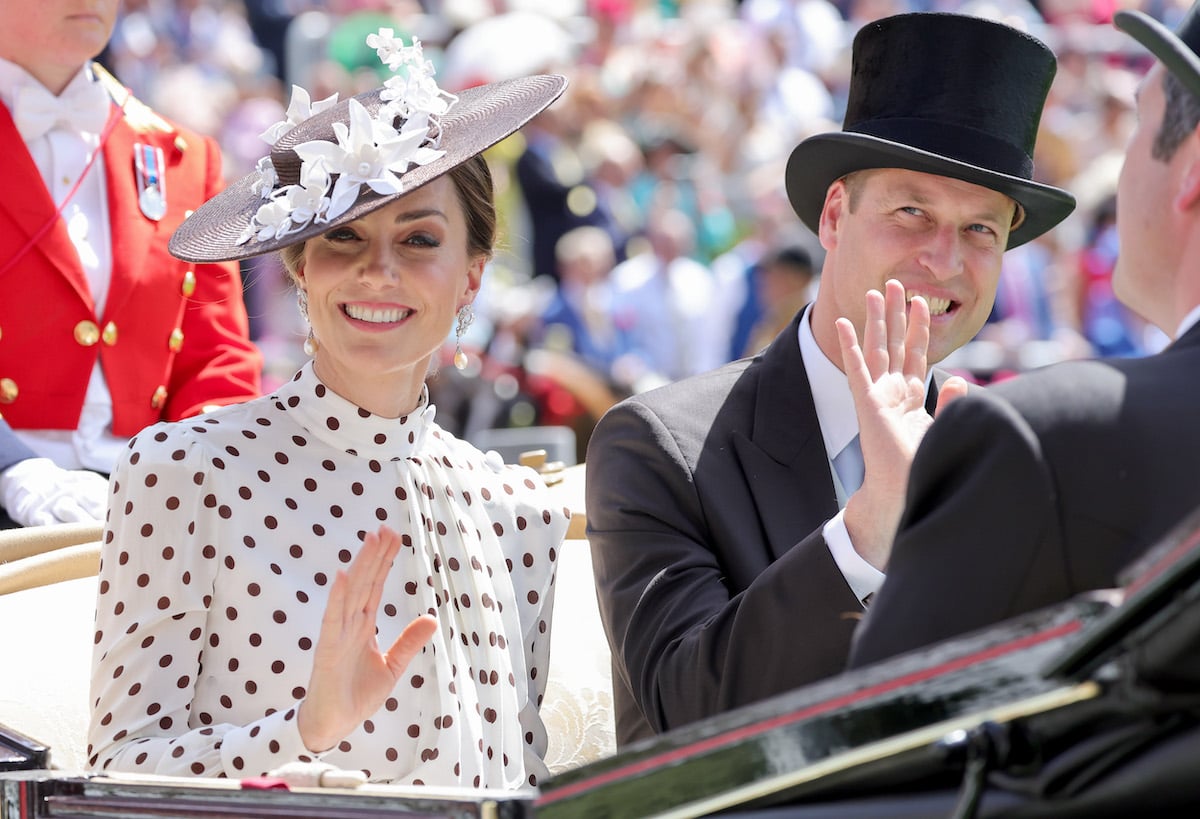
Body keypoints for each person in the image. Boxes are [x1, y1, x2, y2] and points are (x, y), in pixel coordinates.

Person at [87, 30, 571, 789]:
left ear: (472, 277)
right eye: (343, 236)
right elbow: (117, 773)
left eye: (418, 239)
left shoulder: (521, 512)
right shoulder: (184, 472)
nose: (378, 270)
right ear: (299, 265)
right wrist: (302, 731)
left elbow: (526, 780)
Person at [585, 11, 1076, 747]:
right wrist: (869, 527)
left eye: (982, 229)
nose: (945, 260)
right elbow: (686, 717)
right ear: (836, 213)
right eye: (913, 211)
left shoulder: (1005, 452)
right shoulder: (661, 447)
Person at [846, 3, 1200, 668]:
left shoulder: (1042, 435)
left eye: (1139, 124)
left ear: (1194, 171)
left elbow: (867, 740)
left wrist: (887, 523)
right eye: (912, 211)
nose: (944, 259)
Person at [0, 0, 262, 529]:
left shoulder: (184, 157)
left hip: (149, 514)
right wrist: (11, 467)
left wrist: (199, 470)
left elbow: (217, 360)